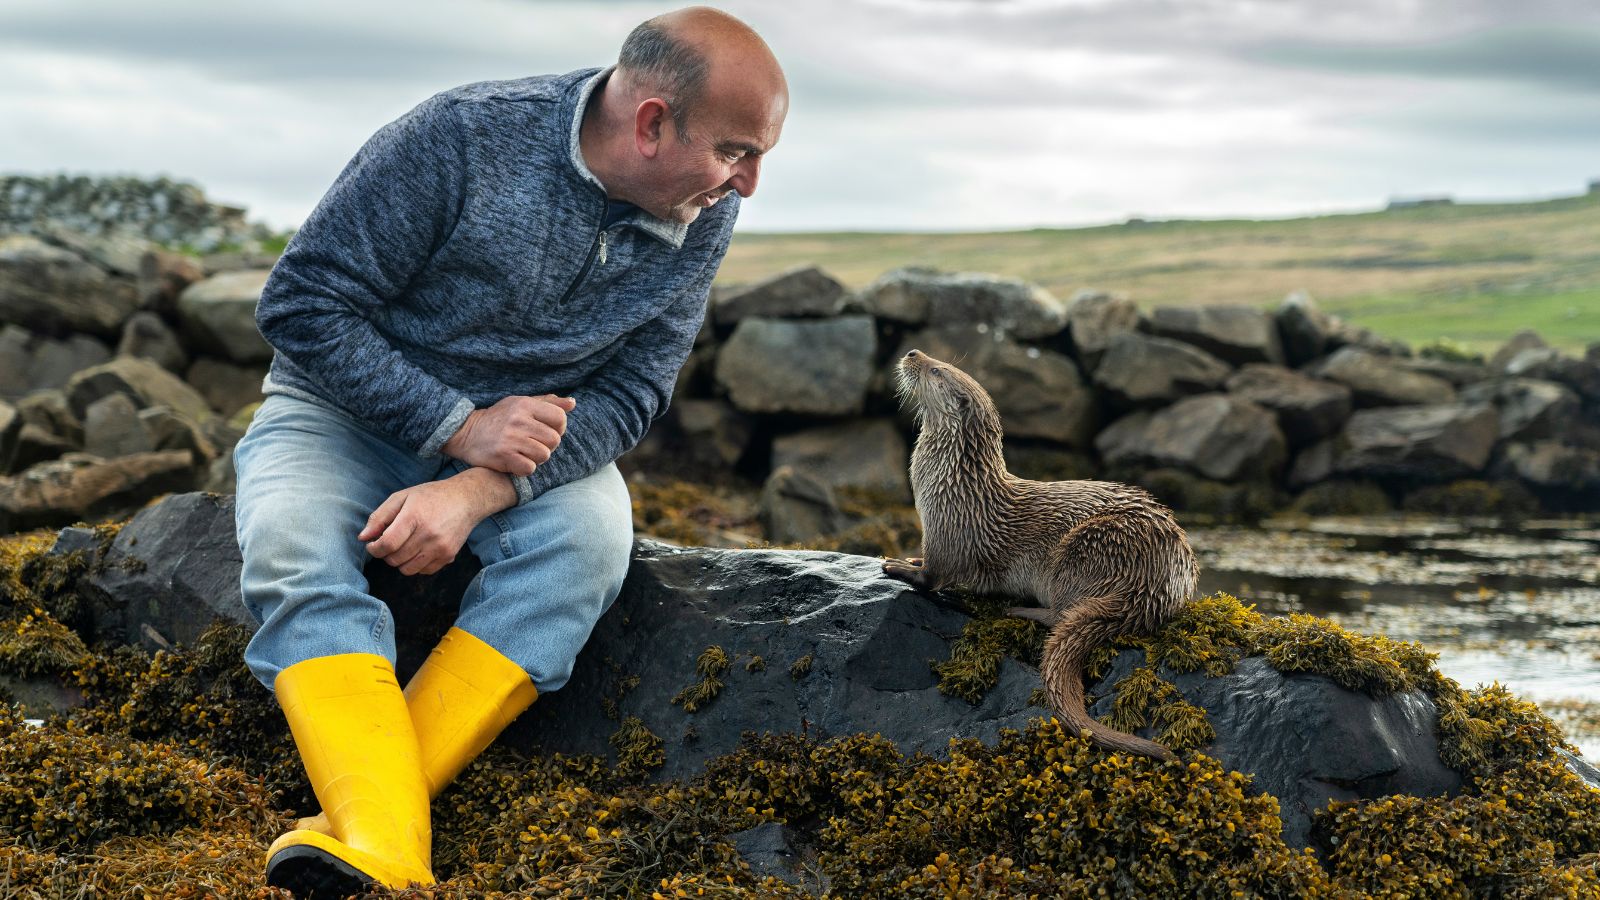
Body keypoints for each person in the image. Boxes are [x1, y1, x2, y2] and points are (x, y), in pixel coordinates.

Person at [231, 7, 787, 893]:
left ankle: (374, 830)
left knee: (590, 547)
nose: (748, 183)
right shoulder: (458, 138)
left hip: (525, 450)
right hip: (337, 414)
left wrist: (477, 487)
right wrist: (456, 425)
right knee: (292, 547)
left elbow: (636, 392)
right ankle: (393, 846)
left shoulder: (700, 207)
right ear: (650, 123)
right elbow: (301, 305)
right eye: (735, 151)